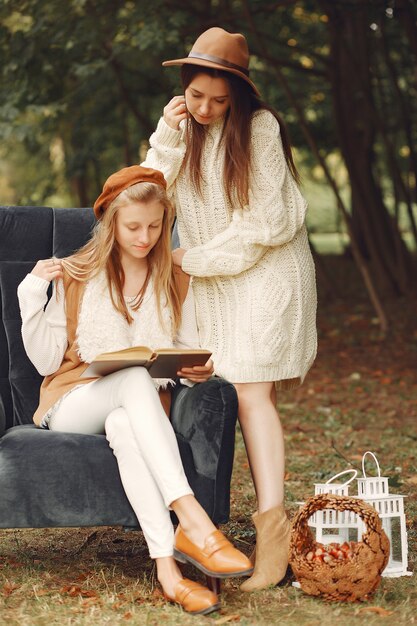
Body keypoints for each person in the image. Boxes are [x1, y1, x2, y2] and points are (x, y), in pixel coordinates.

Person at [17, 165, 253, 615]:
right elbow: (48, 363)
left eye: (154, 225)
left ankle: (168, 572)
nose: (144, 237)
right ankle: (195, 522)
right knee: (129, 377)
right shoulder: (77, 275)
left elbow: (184, 350)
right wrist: (33, 292)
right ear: (110, 222)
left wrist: (195, 371)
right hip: (73, 401)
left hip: (138, 408)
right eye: (132, 227)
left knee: (126, 423)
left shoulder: (174, 277)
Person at [142, 27, 317, 591]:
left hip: (266, 270)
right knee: (215, 387)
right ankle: (223, 525)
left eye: (220, 100)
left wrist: (194, 258)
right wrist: (168, 136)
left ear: (240, 93)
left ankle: (273, 535)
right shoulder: (182, 129)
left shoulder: (259, 128)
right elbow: (146, 191)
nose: (208, 109)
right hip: (217, 277)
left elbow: (268, 222)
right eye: (196, 97)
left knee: (251, 392)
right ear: (183, 89)